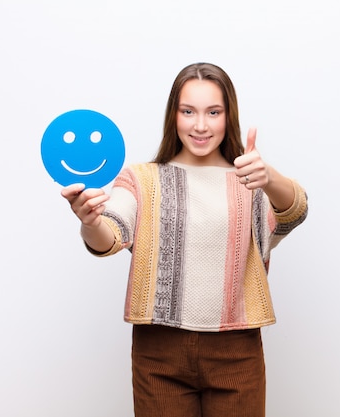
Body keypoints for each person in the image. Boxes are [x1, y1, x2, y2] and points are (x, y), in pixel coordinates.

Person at [61, 62, 308, 417]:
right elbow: (109, 236)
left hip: (236, 350)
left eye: (214, 112)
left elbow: (293, 211)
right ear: (173, 116)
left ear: (229, 116)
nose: (201, 125)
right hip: (159, 352)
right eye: (188, 111)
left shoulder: (251, 182)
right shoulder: (141, 179)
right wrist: (88, 221)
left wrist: (269, 176)